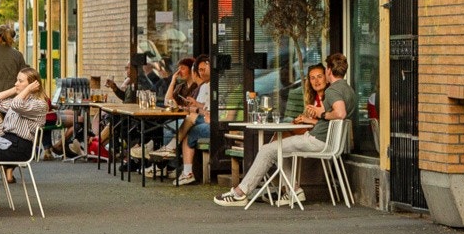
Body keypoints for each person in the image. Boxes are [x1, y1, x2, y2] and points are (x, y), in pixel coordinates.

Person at [214, 52, 357, 207]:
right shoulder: (349, 90)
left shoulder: (332, 90)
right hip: (329, 142)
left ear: (328, 70)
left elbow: (340, 113)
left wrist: (321, 113)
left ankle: (240, 193)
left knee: (267, 150)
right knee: (280, 148)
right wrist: (317, 114)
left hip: (318, 141)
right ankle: (293, 190)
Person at [153, 55, 213, 186]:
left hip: (214, 125)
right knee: (181, 127)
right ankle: (184, 171)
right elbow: (206, 108)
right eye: (200, 70)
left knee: (184, 122)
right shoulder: (204, 86)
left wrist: (196, 109)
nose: (201, 73)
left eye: (203, 69)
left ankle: (169, 157)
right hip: (204, 120)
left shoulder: (214, 86)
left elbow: (215, 113)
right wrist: (196, 105)